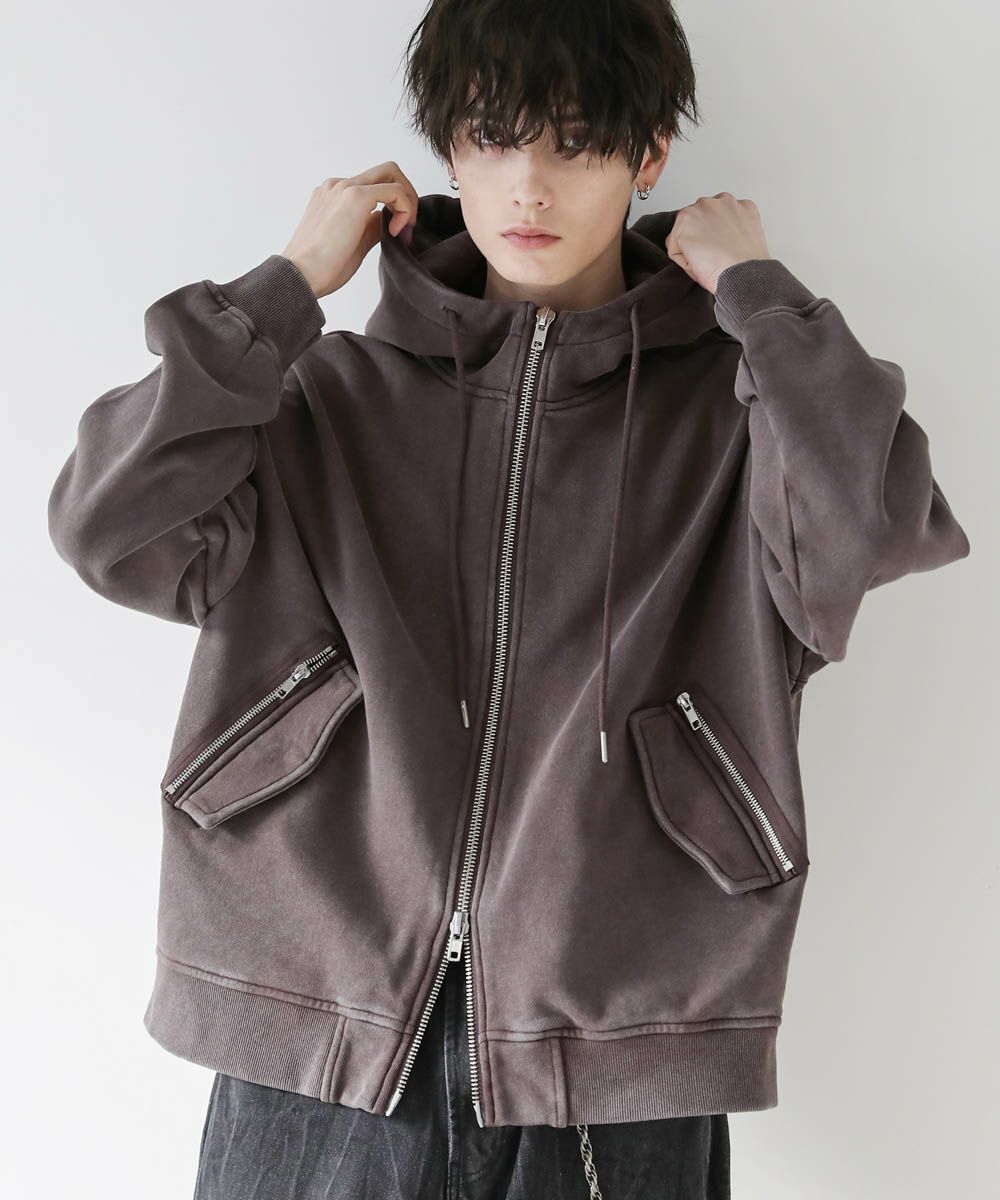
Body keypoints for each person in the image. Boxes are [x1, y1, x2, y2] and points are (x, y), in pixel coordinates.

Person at [46, 1, 971, 1198]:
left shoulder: (736, 421)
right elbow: (106, 520)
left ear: (649, 155)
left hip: (619, 1044)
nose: (529, 185)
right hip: (318, 1027)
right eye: (492, 138)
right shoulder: (322, 396)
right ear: (447, 148)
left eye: (577, 143)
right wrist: (285, 289)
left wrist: (760, 296)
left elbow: (877, 526)